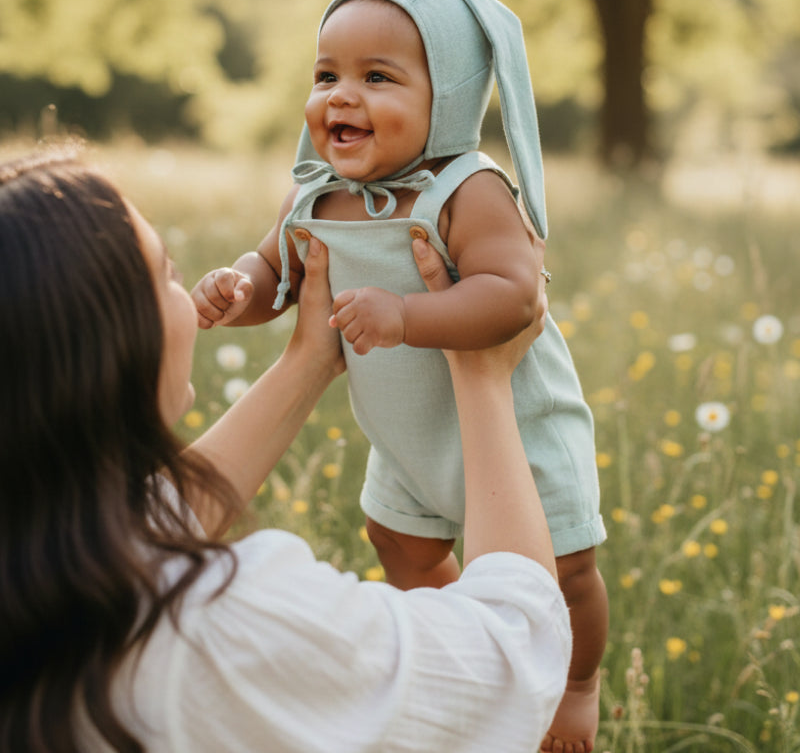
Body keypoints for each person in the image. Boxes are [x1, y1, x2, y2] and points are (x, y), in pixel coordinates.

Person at [0, 147, 568, 753]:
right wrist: (482, 375)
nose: (182, 289)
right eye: (166, 274)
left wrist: (312, 357)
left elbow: (140, 525)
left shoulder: (34, 560)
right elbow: (509, 661)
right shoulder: (226, 627)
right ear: (106, 348)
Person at [191, 0, 606, 752]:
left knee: (568, 572)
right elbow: (276, 271)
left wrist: (409, 315)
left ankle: (573, 683)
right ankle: (475, 646)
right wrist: (236, 290)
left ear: (446, 96)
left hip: (515, 431)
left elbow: (516, 295)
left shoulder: (466, 190)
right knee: (400, 546)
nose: (340, 97)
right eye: (326, 75)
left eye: (377, 77)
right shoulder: (313, 191)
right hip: (407, 435)